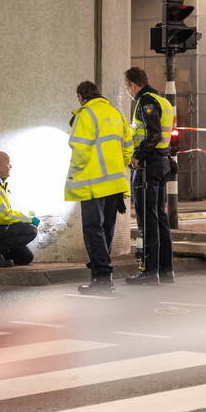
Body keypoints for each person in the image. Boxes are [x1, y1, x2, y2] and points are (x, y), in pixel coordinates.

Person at [65, 80, 133, 293]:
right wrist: (119, 165)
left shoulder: (86, 115)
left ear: (80, 96)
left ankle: (102, 279)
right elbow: (128, 146)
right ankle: (102, 274)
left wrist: (75, 173)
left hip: (93, 184)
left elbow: (80, 150)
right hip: (114, 184)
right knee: (106, 231)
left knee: (93, 230)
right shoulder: (116, 114)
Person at [124, 67, 175, 285]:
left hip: (148, 165)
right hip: (162, 163)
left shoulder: (145, 102)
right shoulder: (162, 100)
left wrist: (137, 156)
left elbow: (152, 134)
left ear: (133, 85)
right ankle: (166, 271)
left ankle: (148, 272)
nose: (127, 91)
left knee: (147, 220)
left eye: (127, 86)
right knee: (160, 219)